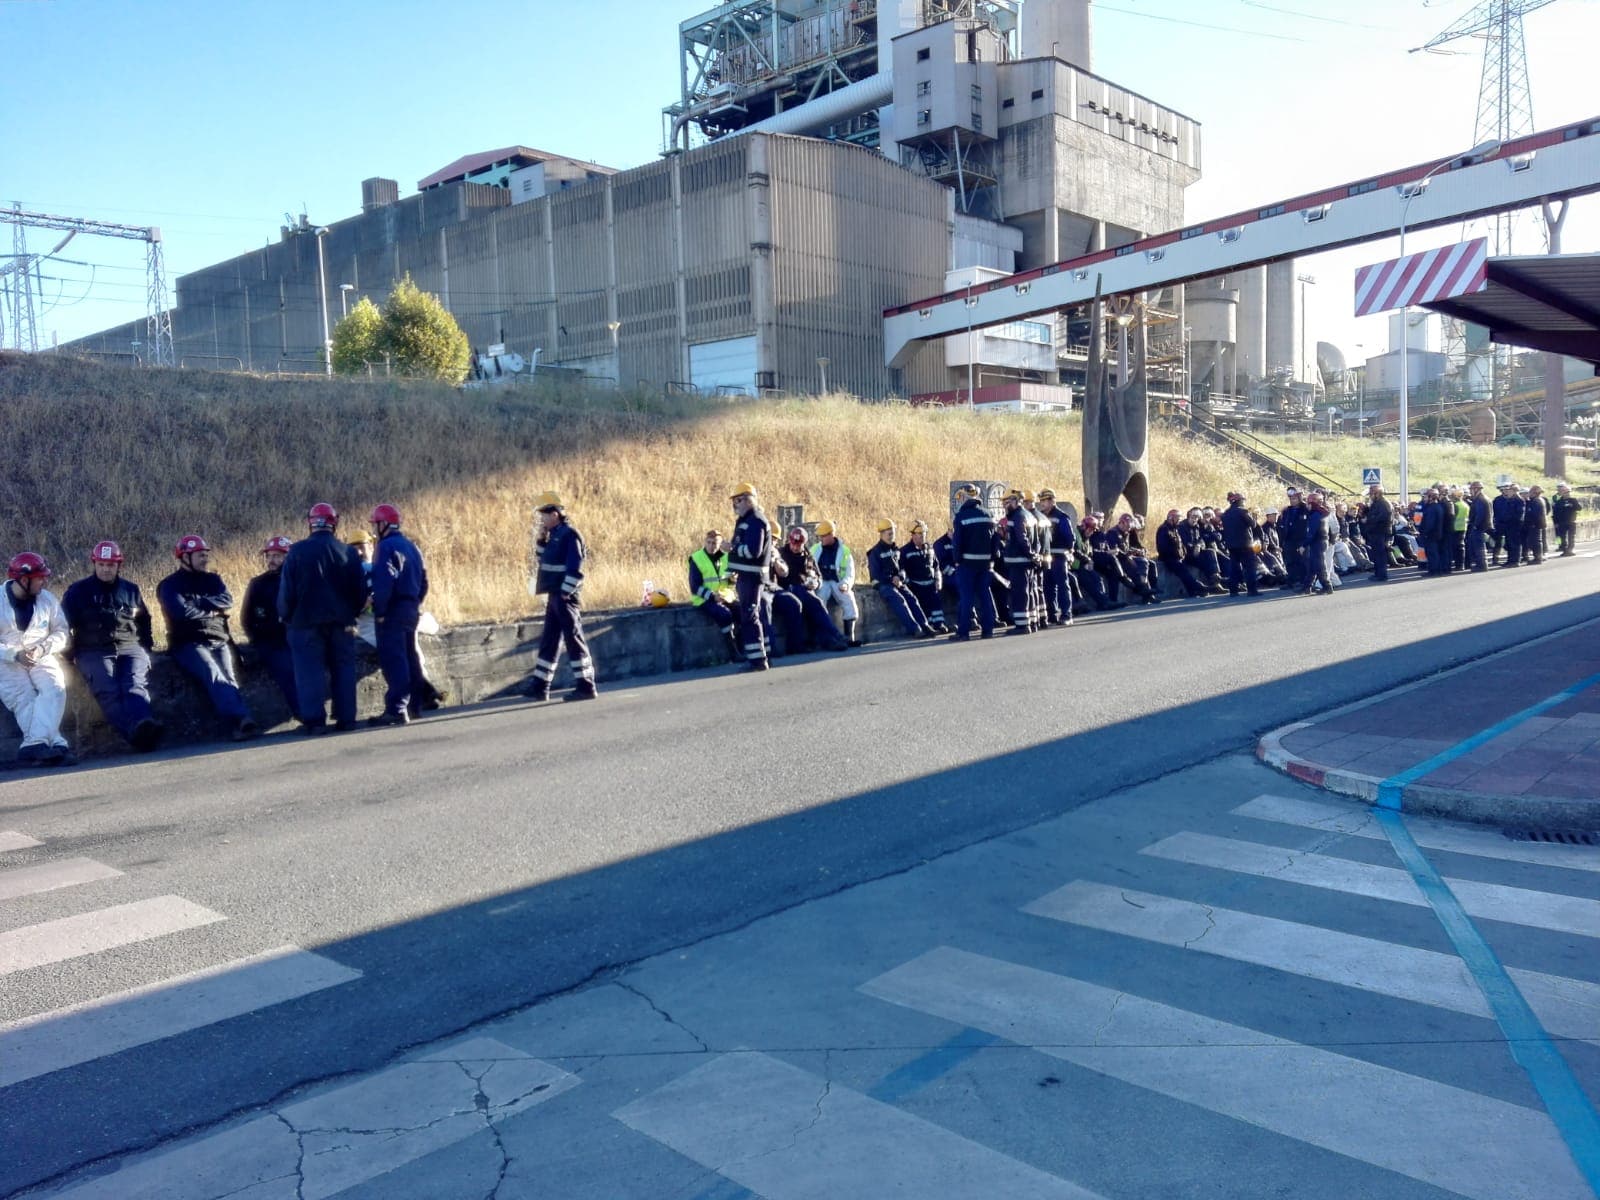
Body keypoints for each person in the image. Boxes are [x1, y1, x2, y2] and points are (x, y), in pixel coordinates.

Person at [61, 540, 162, 752]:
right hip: (93, 651)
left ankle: (144, 723)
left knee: (134, 685)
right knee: (107, 690)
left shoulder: (130, 590)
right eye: (102, 565)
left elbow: (144, 620)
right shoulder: (77, 592)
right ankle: (134, 733)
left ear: (118, 565)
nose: (106, 569)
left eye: (111, 565)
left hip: (129, 647)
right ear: (94, 564)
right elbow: (63, 625)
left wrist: (146, 647)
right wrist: (71, 654)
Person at [159, 534, 258, 741]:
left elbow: (227, 600)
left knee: (230, 679)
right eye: (199, 555)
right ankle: (242, 719)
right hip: (188, 643)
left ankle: (239, 726)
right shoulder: (169, 585)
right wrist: (212, 610)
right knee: (213, 674)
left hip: (218, 638)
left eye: (206, 555)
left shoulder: (213, 579)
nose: (205, 559)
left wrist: (198, 604)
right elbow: (181, 613)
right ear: (185, 557)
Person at [279, 502, 368, 731]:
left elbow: (286, 592)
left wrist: (286, 616)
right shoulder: (348, 552)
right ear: (334, 523)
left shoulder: (296, 552)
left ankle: (315, 722)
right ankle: (347, 719)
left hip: (305, 622)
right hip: (342, 622)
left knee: (309, 672)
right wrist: (352, 613)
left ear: (311, 524)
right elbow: (360, 591)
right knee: (344, 669)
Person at [0, 554, 73, 766]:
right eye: (40, 578)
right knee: (23, 697)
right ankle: (57, 744)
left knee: (55, 688)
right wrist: (13, 654)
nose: (44, 581)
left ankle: (33, 745)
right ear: (24, 580)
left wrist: (42, 648)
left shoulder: (47, 599)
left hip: (40, 653)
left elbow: (61, 631)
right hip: (6, 659)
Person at [526, 491, 599, 697]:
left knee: (573, 640)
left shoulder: (570, 535)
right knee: (549, 640)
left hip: (564, 596)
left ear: (555, 514)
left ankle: (586, 686)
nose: (541, 519)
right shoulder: (555, 535)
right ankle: (540, 686)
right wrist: (541, 540)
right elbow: (545, 561)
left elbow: (576, 568)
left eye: (543, 515)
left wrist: (567, 592)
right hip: (554, 596)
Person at [367, 504, 429, 726]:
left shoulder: (384, 547)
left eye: (375, 524)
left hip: (392, 611)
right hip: (411, 609)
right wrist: (414, 602)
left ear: (384, 524)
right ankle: (415, 706)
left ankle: (396, 708)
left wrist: (381, 611)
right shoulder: (412, 546)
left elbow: (383, 583)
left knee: (395, 660)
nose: (373, 528)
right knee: (410, 657)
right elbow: (424, 581)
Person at [243, 535, 301, 721]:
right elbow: (247, 618)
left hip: (296, 637)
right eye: (269, 556)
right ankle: (305, 714)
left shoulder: (299, 580)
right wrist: (257, 638)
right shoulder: (258, 583)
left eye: (277, 556)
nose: (271, 560)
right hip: (271, 642)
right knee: (287, 670)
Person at [776, 526, 852, 651]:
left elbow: (818, 577)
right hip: (786, 589)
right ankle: (835, 635)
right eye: (793, 544)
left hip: (804, 589)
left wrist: (816, 583)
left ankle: (830, 640)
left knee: (817, 604)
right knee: (813, 601)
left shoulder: (808, 557)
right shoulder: (781, 553)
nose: (795, 547)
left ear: (804, 543)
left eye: (798, 545)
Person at [726, 483, 773, 672]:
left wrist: (733, 548)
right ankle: (762, 656)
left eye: (737, 500)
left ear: (747, 499)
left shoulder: (756, 520)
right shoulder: (746, 519)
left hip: (752, 578)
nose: (734, 505)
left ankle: (758, 660)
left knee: (750, 616)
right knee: (752, 616)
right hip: (746, 576)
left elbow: (754, 551)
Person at [867, 519, 936, 638]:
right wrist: (891, 579)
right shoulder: (875, 552)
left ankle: (925, 625)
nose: (891, 536)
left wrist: (900, 576)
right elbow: (875, 574)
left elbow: (902, 568)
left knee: (912, 598)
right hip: (883, 584)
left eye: (893, 533)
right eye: (889, 534)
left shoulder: (895, 550)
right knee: (899, 600)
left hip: (896, 582)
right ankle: (915, 629)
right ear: (882, 534)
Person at [950, 484, 998, 640]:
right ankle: (988, 630)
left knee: (967, 597)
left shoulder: (961, 517)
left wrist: (957, 560)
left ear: (964, 497)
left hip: (967, 563)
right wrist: (992, 558)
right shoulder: (989, 514)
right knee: (985, 596)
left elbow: (958, 542)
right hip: (985, 563)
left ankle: (963, 632)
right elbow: (995, 540)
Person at [688, 529, 739, 659]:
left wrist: (733, 579)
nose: (711, 546)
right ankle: (733, 653)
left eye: (715, 543)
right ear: (705, 542)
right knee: (725, 615)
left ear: (721, 544)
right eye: (709, 542)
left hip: (724, 596)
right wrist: (712, 596)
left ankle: (744, 648)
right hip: (704, 599)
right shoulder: (697, 558)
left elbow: (729, 583)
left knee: (743, 612)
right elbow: (695, 587)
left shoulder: (726, 557)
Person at [809, 520, 859, 645]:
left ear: (831, 534)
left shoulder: (845, 551)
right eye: (820, 536)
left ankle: (849, 637)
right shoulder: (815, 549)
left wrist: (846, 584)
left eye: (823, 536)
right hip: (822, 582)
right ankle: (823, 637)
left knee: (849, 600)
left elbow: (850, 572)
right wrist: (813, 581)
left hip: (838, 582)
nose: (821, 538)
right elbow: (808, 569)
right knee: (820, 600)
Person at [900, 521, 949, 634]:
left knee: (936, 603)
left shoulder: (930, 548)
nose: (923, 536)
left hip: (931, 584)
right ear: (912, 535)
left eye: (924, 533)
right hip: (916, 586)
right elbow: (902, 569)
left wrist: (938, 579)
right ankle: (929, 625)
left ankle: (940, 624)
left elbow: (936, 566)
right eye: (920, 533)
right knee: (923, 605)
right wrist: (909, 583)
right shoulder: (905, 551)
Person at [1036, 489, 1077, 624]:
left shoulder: (1061, 516)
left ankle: (1066, 615)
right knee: (1048, 586)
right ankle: (1052, 614)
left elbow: (1070, 538)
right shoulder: (1040, 516)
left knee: (1062, 585)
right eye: (1041, 500)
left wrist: (1068, 552)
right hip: (1046, 556)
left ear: (1052, 501)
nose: (1042, 503)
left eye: (1045, 500)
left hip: (1059, 556)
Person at [999, 489, 1035, 632]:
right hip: (1024, 562)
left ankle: (1022, 625)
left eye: (1007, 502)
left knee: (1020, 594)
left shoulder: (1017, 517)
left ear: (1015, 501)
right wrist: (1034, 555)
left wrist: (1030, 554)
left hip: (1019, 562)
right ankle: (1031, 622)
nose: (1005, 506)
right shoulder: (1027, 515)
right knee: (1028, 592)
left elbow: (1022, 539)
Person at [1220, 491, 1261, 597]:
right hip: (1245, 544)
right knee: (1249, 567)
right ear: (1239, 501)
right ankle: (1252, 590)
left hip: (1231, 545)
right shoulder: (1243, 512)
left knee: (1234, 568)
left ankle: (1233, 590)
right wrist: (1254, 516)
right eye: (1243, 500)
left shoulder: (1225, 514)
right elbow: (1253, 524)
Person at [1302, 493, 1336, 595]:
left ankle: (1327, 586)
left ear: (1314, 503)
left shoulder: (1315, 515)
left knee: (1319, 565)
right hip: (1320, 541)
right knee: (1313, 565)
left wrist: (1304, 545)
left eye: (1309, 503)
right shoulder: (1320, 513)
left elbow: (1311, 532)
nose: (1307, 505)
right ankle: (1307, 586)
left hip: (1318, 542)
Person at [1278, 489, 1308, 591]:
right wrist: (1282, 541)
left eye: (1294, 498)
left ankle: (1303, 581)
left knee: (1302, 561)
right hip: (1289, 539)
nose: (1292, 500)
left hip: (1301, 539)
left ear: (1299, 498)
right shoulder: (1286, 511)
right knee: (1289, 561)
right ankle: (1290, 581)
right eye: (1290, 498)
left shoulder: (1306, 509)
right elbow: (1281, 526)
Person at [1362, 486, 1393, 581]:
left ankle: (1382, 575)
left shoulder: (1383, 504)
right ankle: (1377, 573)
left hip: (1381, 532)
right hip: (1375, 532)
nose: (1370, 496)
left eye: (1371, 494)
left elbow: (1382, 518)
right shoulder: (1376, 503)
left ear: (1377, 494)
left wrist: (1368, 520)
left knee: (1380, 555)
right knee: (1376, 554)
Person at [1493, 479, 1524, 568]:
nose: (1507, 492)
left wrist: (1509, 520)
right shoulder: (1509, 500)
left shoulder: (1519, 500)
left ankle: (1515, 561)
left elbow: (1518, 514)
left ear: (1513, 491)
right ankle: (1510, 560)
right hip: (1507, 525)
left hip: (1514, 525)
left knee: (1515, 544)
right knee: (1509, 544)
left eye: (1509, 490)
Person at [1465, 481, 1491, 573]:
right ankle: (1480, 564)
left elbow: (1480, 515)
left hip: (1479, 527)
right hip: (1481, 526)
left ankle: (1482, 565)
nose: (1470, 491)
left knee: (1478, 546)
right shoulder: (1481, 498)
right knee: (1477, 546)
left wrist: (1475, 525)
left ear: (1476, 489)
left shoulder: (1480, 499)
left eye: (1471, 489)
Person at [1522, 485, 1548, 565]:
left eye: (1531, 492)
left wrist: (1531, 522)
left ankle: (1538, 557)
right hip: (1537, 524)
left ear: (1534, 493)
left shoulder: (1536, 501)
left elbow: (1534, 514)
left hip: (1535, 524)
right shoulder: (1537, 500)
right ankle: (1537, 556)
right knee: (1534, 541)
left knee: (1535, 541)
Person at [1552, 483, 1581, 557]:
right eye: (1565, 492)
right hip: (1561, 522)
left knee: (1571, 537)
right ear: (1562, 493)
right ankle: (1563, 549)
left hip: (1571, 521)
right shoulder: (1558, 501)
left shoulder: (1573, 500)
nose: (1567, 494)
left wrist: (1573, 505)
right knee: (1561, 537)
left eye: (1568, 492)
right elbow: (1555, 513)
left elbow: (1579, 508)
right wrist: (1555, 522)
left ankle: (1570, 550)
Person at [1449, 486, 1469, 572]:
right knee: (1461, 547)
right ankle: (1461, 565)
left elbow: (1452, 518)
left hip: (1455, 528)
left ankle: (1459, 565)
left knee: (1456, 548)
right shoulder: (1465, 505)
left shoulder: (1455, 505)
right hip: (1463, 528)